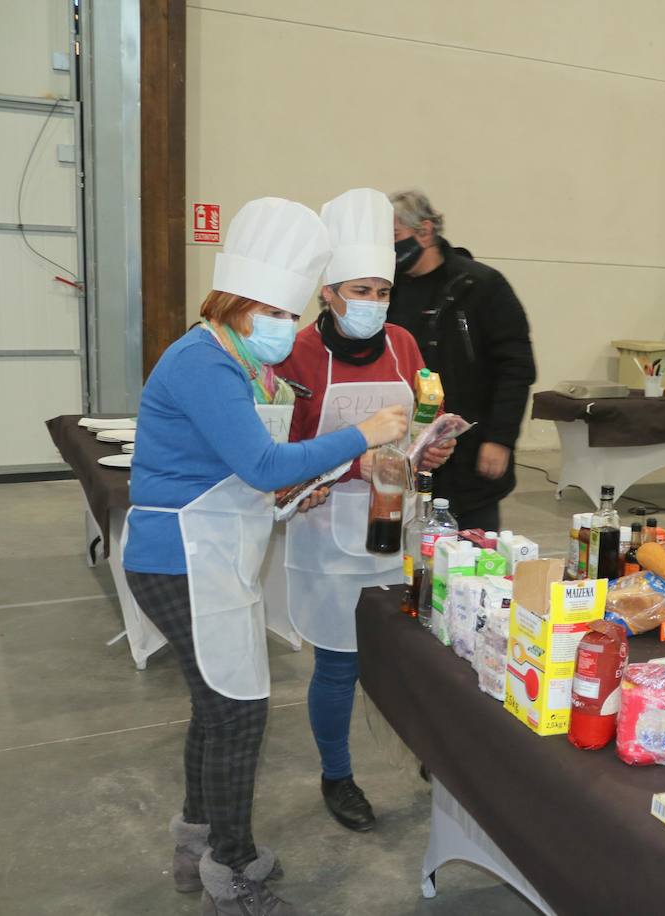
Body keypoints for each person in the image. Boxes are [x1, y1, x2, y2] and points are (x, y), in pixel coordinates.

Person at [122, 198, 409, 915]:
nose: (285, 328)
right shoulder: (204, 365)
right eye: (274, 315)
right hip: (180, 556)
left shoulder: (222, 358)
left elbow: (232, 473)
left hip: (207, 549)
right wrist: (362, 435)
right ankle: (231, 869)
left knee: (217, 709)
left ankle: (199, 844)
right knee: (238, 712)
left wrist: (293, 491)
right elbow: (256, 461)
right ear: (239, 307)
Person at [277, 188, 455, 833]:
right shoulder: (294, 354)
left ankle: (435, 753)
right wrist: (353, 463)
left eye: (383, 291)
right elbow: (281, 451)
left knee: (409, 651)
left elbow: (413, 426)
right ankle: (337, 774)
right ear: (328, 292)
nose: (374, 305)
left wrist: (426, 453)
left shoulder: (404, 345)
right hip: (324, 528)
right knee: (339, 661)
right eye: (360, 291)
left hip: (392, 521)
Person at [387, 189, 536, 531]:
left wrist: (500, 438)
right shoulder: (386, 290)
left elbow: (516, 368)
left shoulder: (481, 286)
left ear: (424, 231)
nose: (387, 249)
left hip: (469, 457)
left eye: (394, 237)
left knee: (471, 560)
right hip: (405, 453)